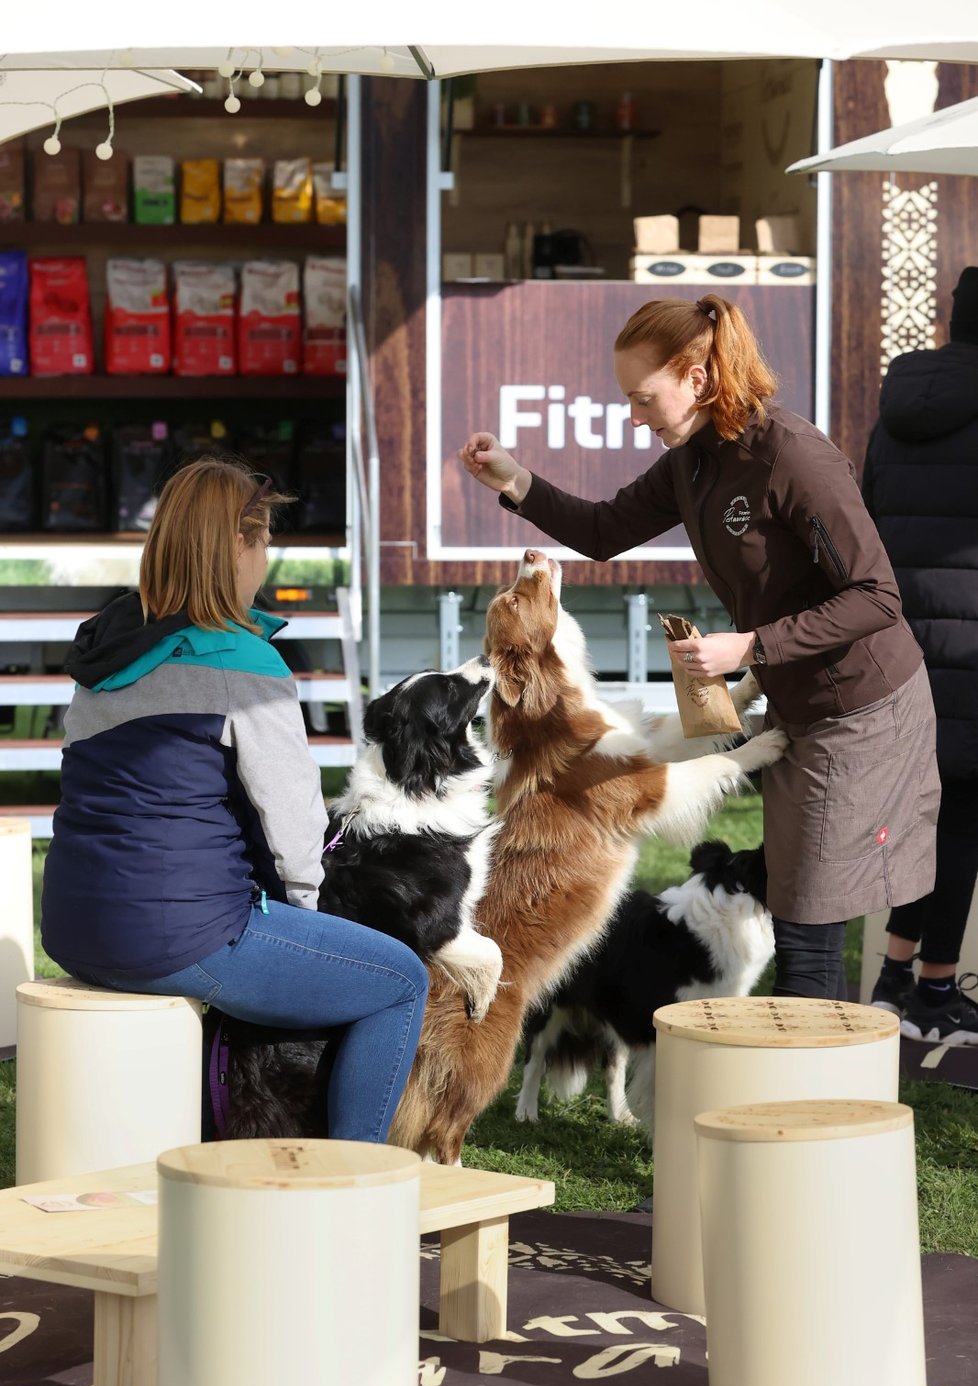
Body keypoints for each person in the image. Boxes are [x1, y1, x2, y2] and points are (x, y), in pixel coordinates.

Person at [459, 293, 940, 1002]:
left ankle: (816, 1103)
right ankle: (806, 1094)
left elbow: (877, 596)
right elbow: (602, 530)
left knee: (806, 927)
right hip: (798, 704)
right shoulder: (692, 460)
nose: (635, 417)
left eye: (644, 398)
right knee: (796, 911)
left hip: (863, 712)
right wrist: (514, 481)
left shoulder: (792, 456)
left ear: (698, 377)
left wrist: (751, 644)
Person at [41, 457, 429, 1143]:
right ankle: (356, 1185)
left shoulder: (105, 653)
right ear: (242, 545)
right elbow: (296, 836)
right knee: (397, 980)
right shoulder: (242, 664)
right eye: (265, 539)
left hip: (74, 928)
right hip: (174, 938)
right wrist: (308, 922)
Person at [862, 266, 978, 1043]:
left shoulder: (900, 402)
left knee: (924, 813)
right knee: (964, 816)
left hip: (902, 641)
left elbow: (867, 508)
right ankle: (932, 993)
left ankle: (893, 982)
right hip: (974, 643)